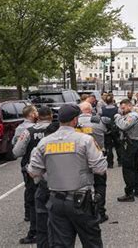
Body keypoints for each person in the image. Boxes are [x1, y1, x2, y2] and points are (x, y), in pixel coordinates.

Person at [27, 104, 107, 248]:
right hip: (81, 201)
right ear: (75, 120)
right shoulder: (85, 140)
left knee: (60, 243)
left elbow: (33, 172)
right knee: (91, 241)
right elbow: (100, 169)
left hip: (56, 201)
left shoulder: (45, 142)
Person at [13, 106, 57, 245]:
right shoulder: (57, 130)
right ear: (51, 115)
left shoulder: (28, 132)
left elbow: (17, 152)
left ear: (38, 116)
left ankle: (35, 232)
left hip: (33, 171)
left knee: (34, 203)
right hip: (55, 171)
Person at [78, 102, 110, 223]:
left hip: (80, 159)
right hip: (97, 156)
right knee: (100, 184)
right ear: (91, 110)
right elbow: (106, 132)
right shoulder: (99, 121)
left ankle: (83, 211)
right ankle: (100, 212)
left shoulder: (75, 123)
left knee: (80, 185)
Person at [12, 105, 38, 222]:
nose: (37, 113)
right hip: (33, 161)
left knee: (29, 188)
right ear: (32, 114)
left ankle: (28, 213)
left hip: (26, 161)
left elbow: (15, 144)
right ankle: (33, 212)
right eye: (36, 111)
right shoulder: (33, 128)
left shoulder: (19, 128)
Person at [115, 99, 138, 201]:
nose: (121, 110)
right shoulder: (130, 115)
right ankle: (137, 189)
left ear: (130, 106)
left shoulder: (132, 116)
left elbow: (123, 126)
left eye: (123, 107)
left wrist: (117, 117)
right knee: (134, 167)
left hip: (130, 144)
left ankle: (129, 193)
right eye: (121, 108)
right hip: (133, 143)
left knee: (128, 169)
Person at [101, 93, 121, 168]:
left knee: (108, 147)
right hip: (115, 129)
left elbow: (101, 118)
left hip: (106, 130)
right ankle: (120, 161)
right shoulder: (117, 109)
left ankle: (110, 163)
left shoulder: (102, 109)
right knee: (118, 145)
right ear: (113, 100)